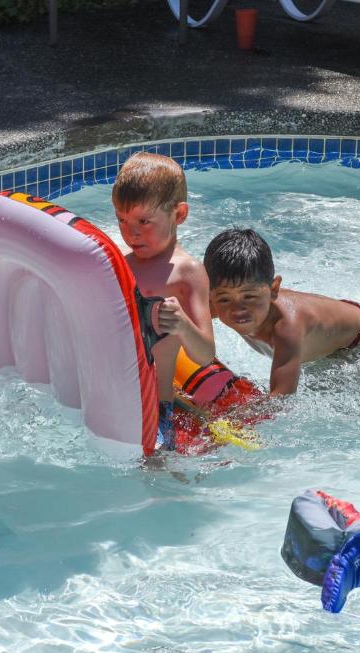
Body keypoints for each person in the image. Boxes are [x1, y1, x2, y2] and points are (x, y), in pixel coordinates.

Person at [204, 228, 360, 396]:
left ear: (274, 289)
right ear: (211, 294)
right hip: (323, 343)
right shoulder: (217, 302)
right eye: (224, 299)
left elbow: (281, 399)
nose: (237, 309)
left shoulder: (287, 329)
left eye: (249, 297)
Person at [112, 152, 215, 449]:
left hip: (154, 409)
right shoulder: (121, 265)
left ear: (179, 215)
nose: (130, 232)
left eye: (144, 221)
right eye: (121, 220)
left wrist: (182, 325)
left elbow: (205, 354)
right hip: (112, 399)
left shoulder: (187, 272)